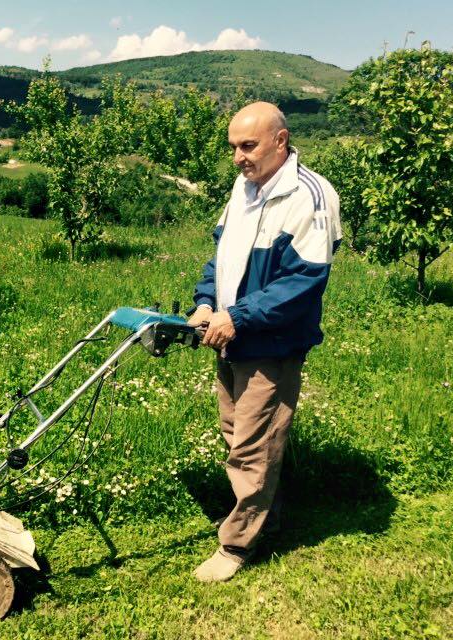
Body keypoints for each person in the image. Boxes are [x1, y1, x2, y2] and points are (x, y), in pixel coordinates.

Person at [188, 101, 342, 582]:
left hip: (271, 343)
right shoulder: (245, 188)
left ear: (281, 140)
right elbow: (221, 256)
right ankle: (263, 517)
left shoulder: (310, 196)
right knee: (236, 432)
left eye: (248, 145)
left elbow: (304, 281)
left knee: (253, 444)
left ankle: (235, 546)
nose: (237, 156)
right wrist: (207, 301)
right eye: (233, 146)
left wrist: (238, 316)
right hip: (231, 334)